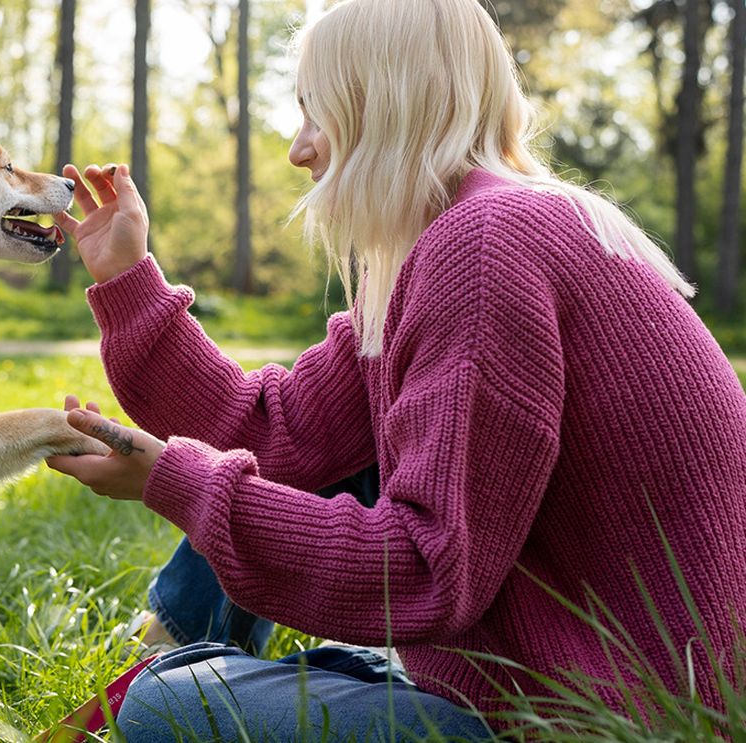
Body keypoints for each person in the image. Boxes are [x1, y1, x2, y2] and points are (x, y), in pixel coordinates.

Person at [44, 0, 746, 740]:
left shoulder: (483, 249)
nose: (298, 148)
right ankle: (180, 646)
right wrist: (126, 276)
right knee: (283, 505)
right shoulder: (468, 235)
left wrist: (174, 480)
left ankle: (179, 666)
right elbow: (269, 429)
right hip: (562, 666)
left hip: (606, 718)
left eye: (316, 113)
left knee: (164, 705)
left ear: (380, 105)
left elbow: (425, 569)